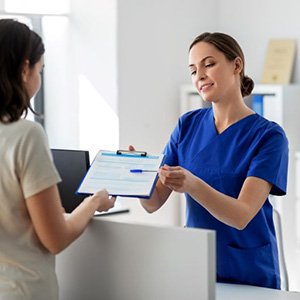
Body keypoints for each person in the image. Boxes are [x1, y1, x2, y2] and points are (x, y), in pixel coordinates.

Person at [132, 32, 289, 289]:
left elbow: (242, 215)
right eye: (193, 70)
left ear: (236, 65)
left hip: (249, 273)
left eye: (209, 64)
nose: (200, 76)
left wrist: (192, 184)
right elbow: (153, 202)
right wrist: (133, 176)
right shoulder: (187, 125)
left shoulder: (269, 136)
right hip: (196, 265)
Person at [0, 19, 116, 300]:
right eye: (40, 70)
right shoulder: (26, 135)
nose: (39, 80)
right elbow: (55, 238)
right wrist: (93, 202)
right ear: (25, 69)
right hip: (24, 291)